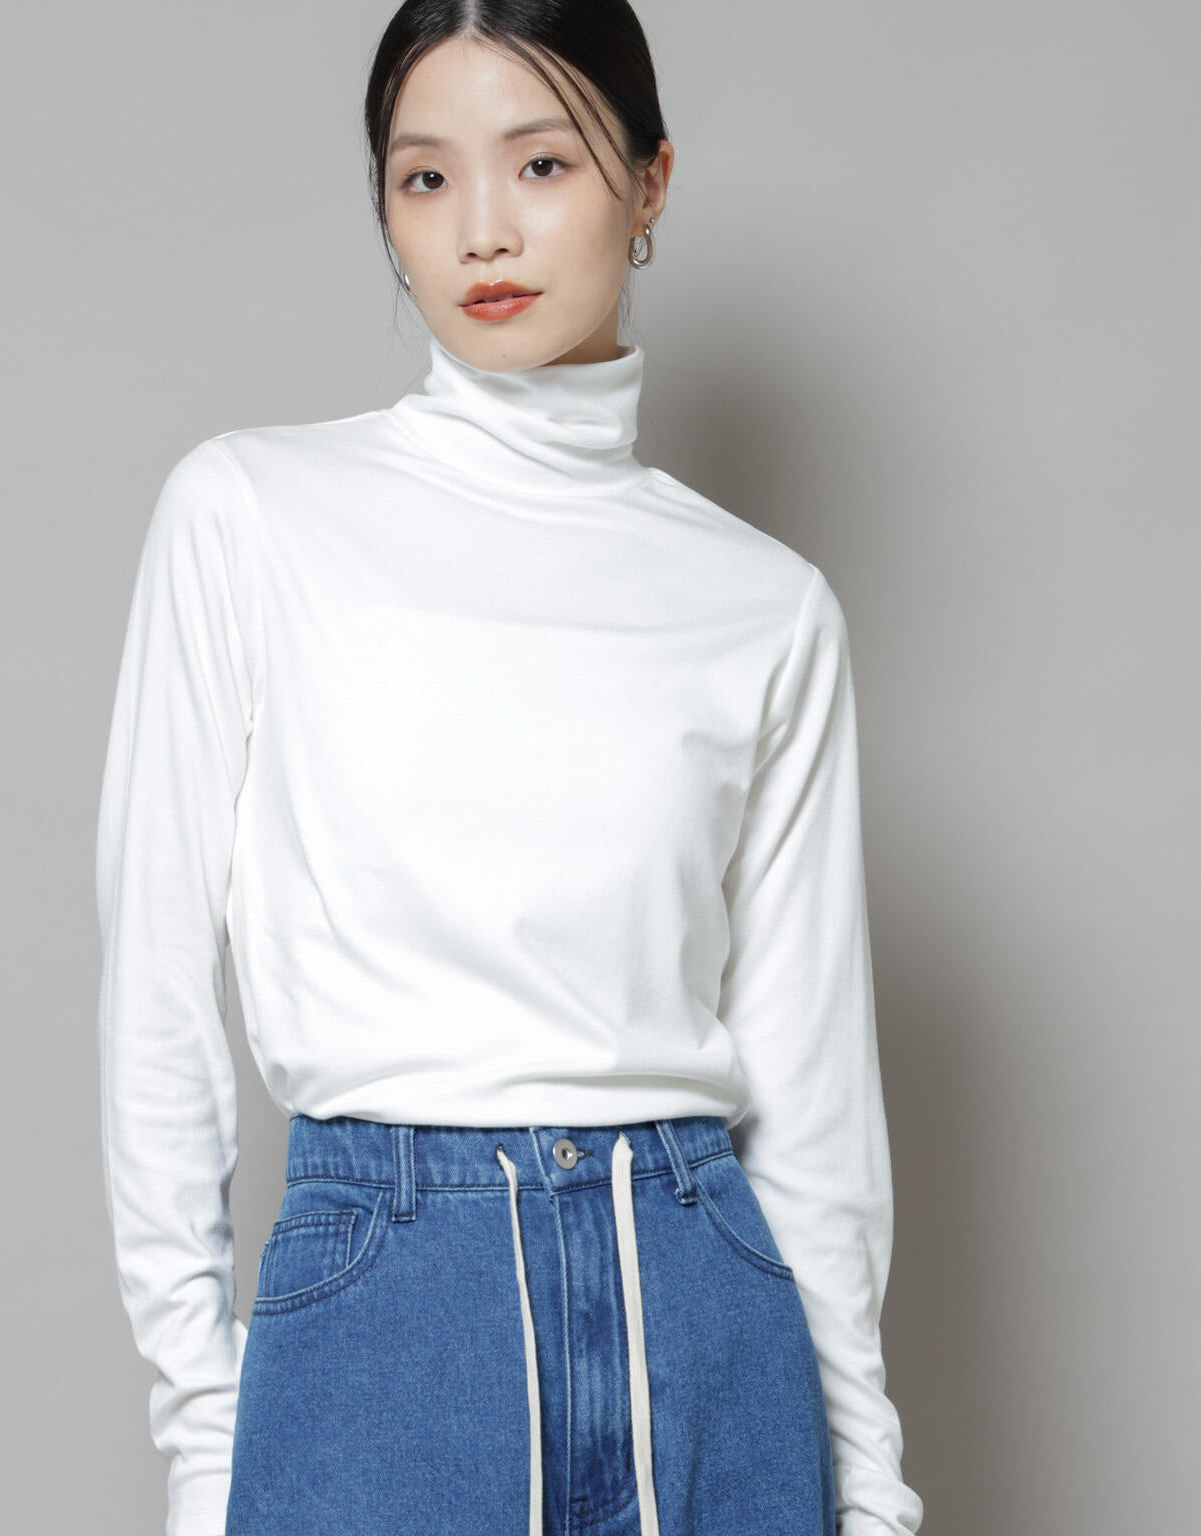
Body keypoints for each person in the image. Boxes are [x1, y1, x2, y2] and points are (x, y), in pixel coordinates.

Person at [94, 4, 924, 1535]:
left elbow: (812, 1093)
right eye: (426, 178)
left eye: (540, 163)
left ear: (649, 180)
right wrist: (209, 1442)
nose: (482, 228)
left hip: (704, 1307)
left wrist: (863, 1487)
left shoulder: (766, 605)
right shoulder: (251, 517)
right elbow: (155, 999)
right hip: (388, 1313)